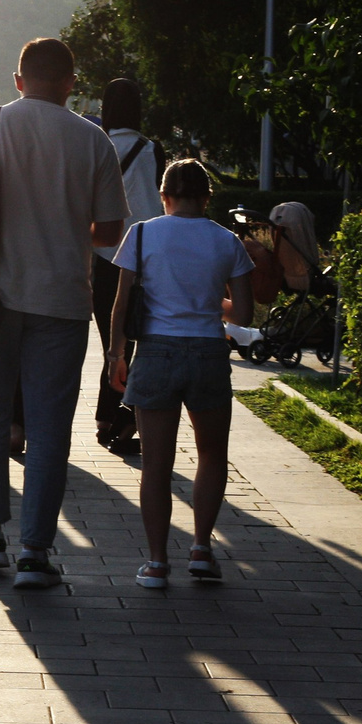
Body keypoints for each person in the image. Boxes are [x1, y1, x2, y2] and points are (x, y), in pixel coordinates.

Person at [0, 38, 129, 589]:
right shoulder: (92, 139)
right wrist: (68, 228)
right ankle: (36, 553)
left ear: (18, 80)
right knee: (49, 427)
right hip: (62, 301)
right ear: (70, 83)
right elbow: (111, 231)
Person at [105, 159, 254, 589]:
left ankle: (156, 564)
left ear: (163, 196)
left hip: (156, 353)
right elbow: (243, 316)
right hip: (208, 354)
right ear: (207, 197)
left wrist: (116, 354)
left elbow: (121, 303)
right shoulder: (227, 241)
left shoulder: (142, 234)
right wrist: (210, 302)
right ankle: (202, 549)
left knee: (156, 464)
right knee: (212, 454)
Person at [91, 77, 162, 453]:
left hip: (103, 255)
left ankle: (110, 416)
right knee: (132, 340)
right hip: (144, 257)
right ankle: (116, 417)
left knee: (111, 341)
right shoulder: (153, 150)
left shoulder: (97, 145)